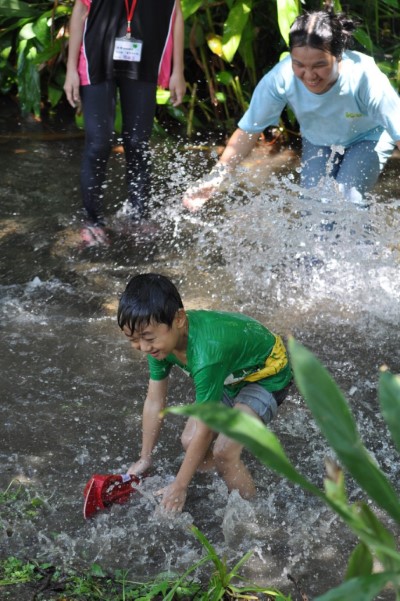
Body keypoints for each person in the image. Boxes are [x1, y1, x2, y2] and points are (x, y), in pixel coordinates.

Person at [182, 9, 400, 211]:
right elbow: (249, 129)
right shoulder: (281, 77)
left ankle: (363, 248)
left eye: (319, 65)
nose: (309, 75)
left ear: (339, 56)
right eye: (299, 65)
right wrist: (216, 177)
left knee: (348, 200)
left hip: (367, 137)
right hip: (318, 139)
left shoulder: (364, 78)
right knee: (313, 208)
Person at [117, 273, 292, 513]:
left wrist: (179, 486)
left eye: (147, 338)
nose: (143, 347)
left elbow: (206, 425)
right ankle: (224, 481)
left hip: (267, 374)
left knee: (224, 451)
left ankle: (255, 516)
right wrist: (145, 457)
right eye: (133, 340)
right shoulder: (160, 345)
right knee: (189, 441)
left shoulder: (206, 355)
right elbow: (154, 400)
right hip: (231, 374)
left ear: (178, 319)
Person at [64, 0, 186, 246]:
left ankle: (138, 217)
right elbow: (80, 9)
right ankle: (92, 221)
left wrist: (178, 71)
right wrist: (70, 69)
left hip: (144, 59)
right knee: (98, 142)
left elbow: (176, 12)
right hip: (95, 56)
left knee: (137, 141)